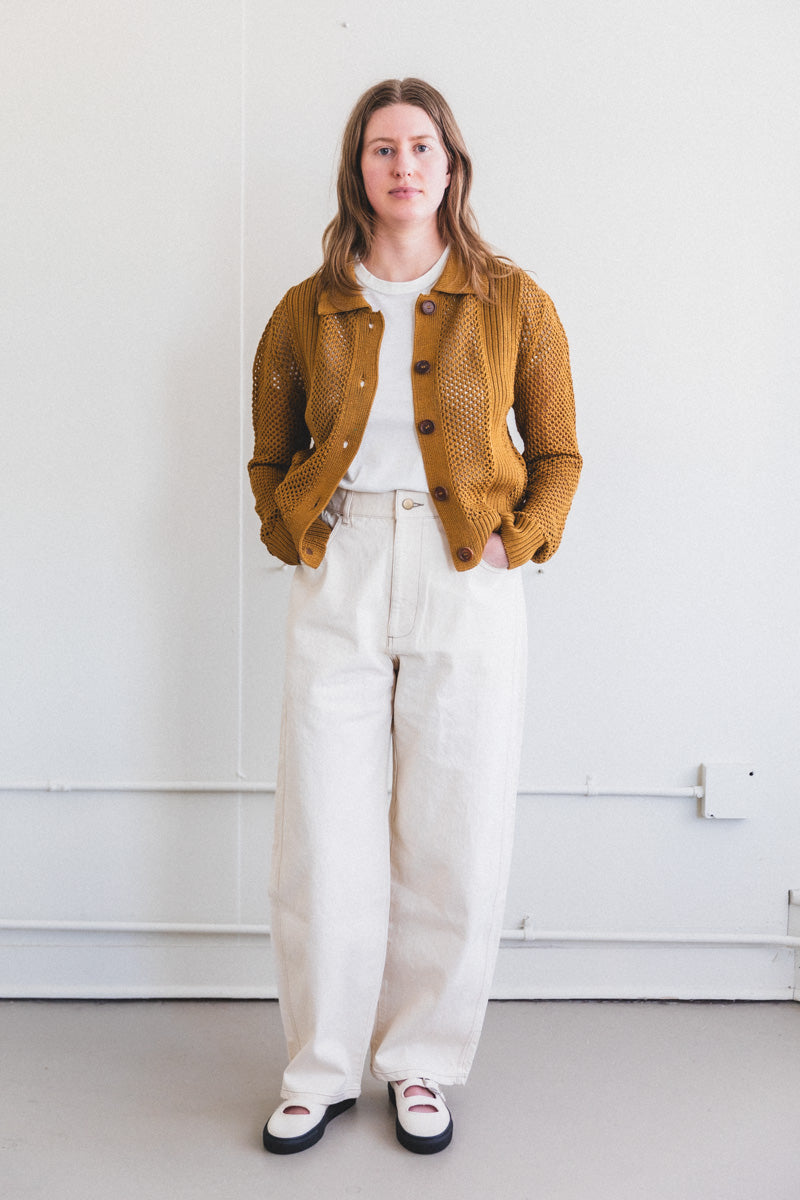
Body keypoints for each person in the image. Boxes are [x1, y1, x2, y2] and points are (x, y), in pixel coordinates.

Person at [248, 77, 581, 1156]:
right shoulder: (308, 306)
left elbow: (559, 453)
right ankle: (319, 1069)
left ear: (450, 165)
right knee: (321, 831)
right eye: (383, 148)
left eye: (421, 147)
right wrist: (292, 530)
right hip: (341, 563)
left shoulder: (512, 299)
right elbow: (269, 452)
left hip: (464, 573)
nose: (403, 166)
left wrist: (518, 539)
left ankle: (422, 1063)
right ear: (358, 168)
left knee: (454, 824)